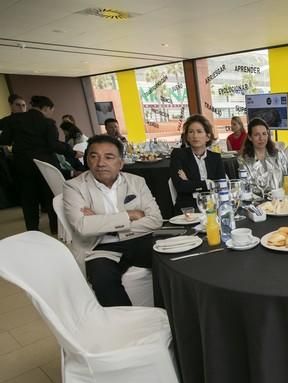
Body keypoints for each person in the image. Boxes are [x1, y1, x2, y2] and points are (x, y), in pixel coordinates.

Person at [62, 135, 162, 307]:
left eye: (109, 157)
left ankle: (166, 314)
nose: (100, 163)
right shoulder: (74, 187)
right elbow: (83, 227)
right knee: (102, 278)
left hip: (138, 239)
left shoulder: (136, 182)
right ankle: (127, 325)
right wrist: (129, 215)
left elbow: (155, 220)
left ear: (121, 162)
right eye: (94, 156)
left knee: (169, 264)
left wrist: (102, 223)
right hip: (99, 246)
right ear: (87, 159)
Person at [0, 95, 74, 233]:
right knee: (50, 196)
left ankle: (32, 229)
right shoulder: (48, 123)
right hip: (45, 165)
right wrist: (72, 152)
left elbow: (5, 139)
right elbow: (53, 145)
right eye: (52, 110)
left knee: (28, 198)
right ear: (46, 108)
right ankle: (55, 228)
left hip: (23, 165)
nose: (52, 113)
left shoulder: (14, 120)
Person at [169, 114, 226, 213]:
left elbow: (220, 185)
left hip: (213, 206)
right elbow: (181, 186)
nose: (195, 136)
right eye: (191, 132)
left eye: (199, 131)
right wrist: (207, 183)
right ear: (187, 137)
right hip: (188, 208)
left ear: (208, 137)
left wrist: (190, 182)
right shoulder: (178, 154)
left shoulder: (215, 157)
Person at [239, 117, 288, 191]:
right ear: (250, 137)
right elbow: (245, 187)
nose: (261, 138)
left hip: (280, 199)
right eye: (256, 135)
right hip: (257, 201)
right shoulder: (243, 160)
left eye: (264, 134)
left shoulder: (279, 154)